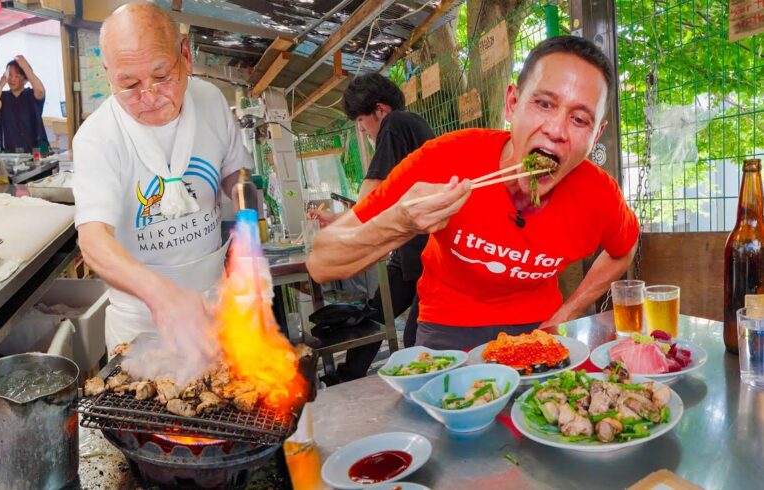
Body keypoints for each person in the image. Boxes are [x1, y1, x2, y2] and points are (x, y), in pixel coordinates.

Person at [307, 36, 639, 351]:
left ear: (597, 136)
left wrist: (567, 313)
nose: (556, 131)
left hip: (539, 326)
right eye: (544, 103)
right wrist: (399, 223)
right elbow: (322, 262)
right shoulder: (445, 159)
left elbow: (623, 249)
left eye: (580, 119)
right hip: (447, 327)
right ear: (512, 103)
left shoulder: (598, 194)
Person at [72, 2, 252, 354]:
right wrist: (164, 297)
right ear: (108, 73)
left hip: (219, 306)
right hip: (141, 326)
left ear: (184, 54)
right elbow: (93, 240)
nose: (149, 96)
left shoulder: (210, 100)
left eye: (162, 76)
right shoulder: (97, 138)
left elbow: (236, 171)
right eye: (129, 84)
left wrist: (248, 214)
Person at [315, 73, 435, 383]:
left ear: (380, 110)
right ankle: (346, 375)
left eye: (361, 122)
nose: (364, 131)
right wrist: (341, 220)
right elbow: (382, 201)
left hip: (431, 256)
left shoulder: (396, 123)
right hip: (410, 250)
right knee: (376, 314)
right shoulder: (411, 128)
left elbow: (373, 192)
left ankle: (432, 395)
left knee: (416, 339)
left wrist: (340, 231)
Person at [0, 56, 48, 153]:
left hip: (39, 151)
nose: (12, 79)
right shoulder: (3, 97)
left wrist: (25, 67)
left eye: (17, 76)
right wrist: (1, 84)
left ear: (25, 80)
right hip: (12, 153)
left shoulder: (32, 95)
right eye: (9, 75)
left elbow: (40, 91)